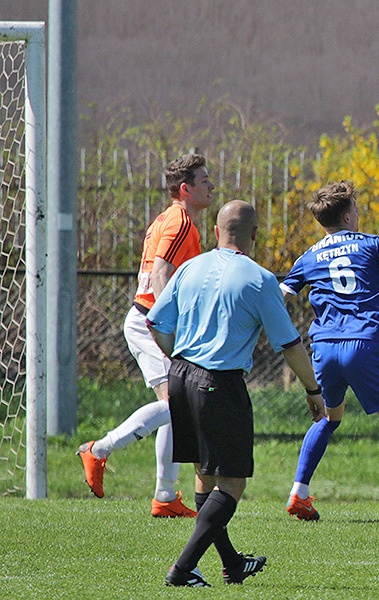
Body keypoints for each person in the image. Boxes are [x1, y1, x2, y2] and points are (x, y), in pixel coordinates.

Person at [147, 200, 324, 587]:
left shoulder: (190, 267)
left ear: (215, 231)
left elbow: (155, 321)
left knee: (204, 477)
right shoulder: (259, 278)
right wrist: (313, 389)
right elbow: (290, 345)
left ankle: (231, 563)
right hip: (219, 384)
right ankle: (182, 569)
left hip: (180, 376)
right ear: (255, 235)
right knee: (231, 483)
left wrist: (177, 356)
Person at [281, 180, 379, 522]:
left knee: (328, 418)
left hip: (323, 348)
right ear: (349, 216)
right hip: (363, 345)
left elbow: (279, 297)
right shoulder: (372, 244)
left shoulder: (309, 256)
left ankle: (299, 492)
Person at [77, 153, 214, 517]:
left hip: (149, 319)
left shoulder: (171, 218)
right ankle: (99, 449)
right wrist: (168, 324)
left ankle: (165, 497)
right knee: (175, 405)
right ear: (185, 189)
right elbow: (161, 274)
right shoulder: (180, 221)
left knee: (177, 409)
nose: (211, 186)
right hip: (151, 322)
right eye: (204, 181)